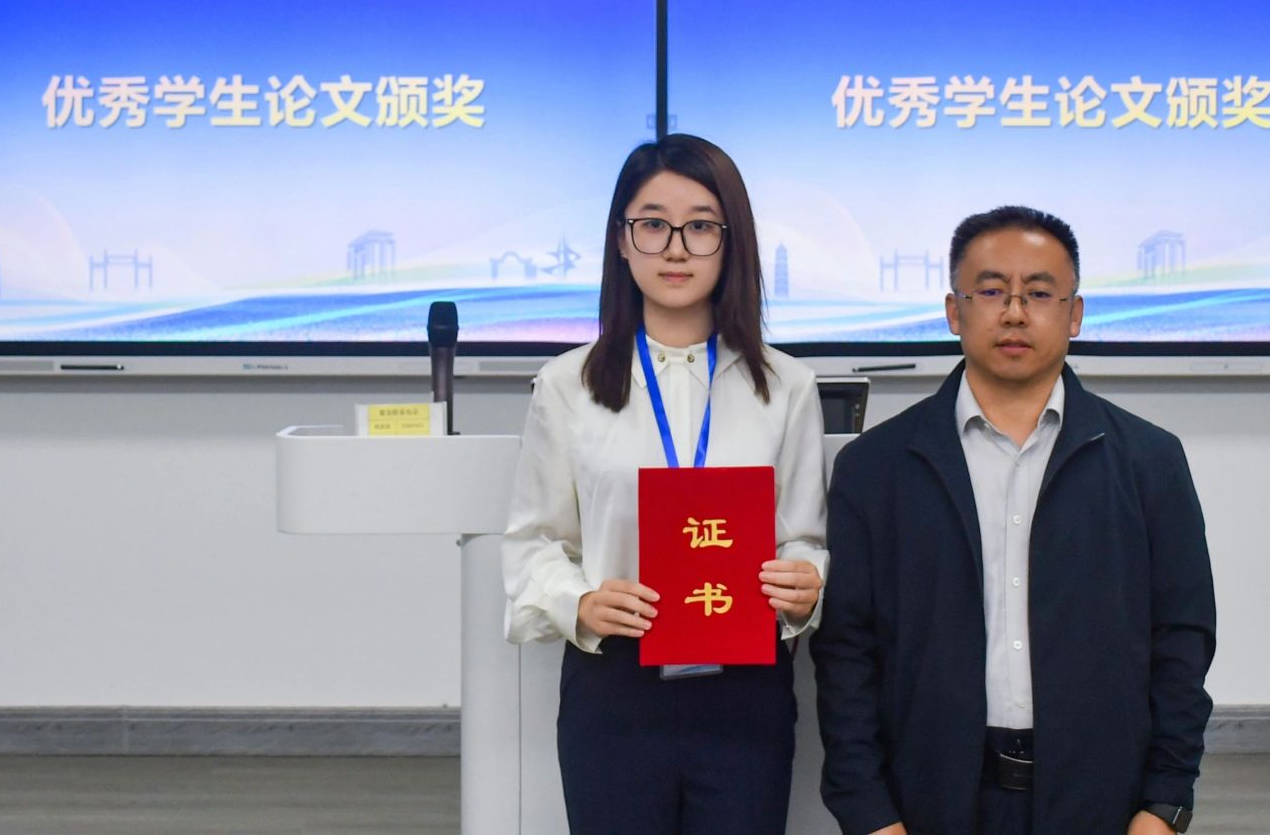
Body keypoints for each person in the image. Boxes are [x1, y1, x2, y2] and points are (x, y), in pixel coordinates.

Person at [813, 206, 1216, 835]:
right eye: (992, 291)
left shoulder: (1148, 461)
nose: (1014, 312)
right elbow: (846, 654)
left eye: (1040, 293)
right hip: (929, 803)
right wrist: (868, 813)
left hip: (1102, 803)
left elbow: (1182, 642)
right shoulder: (876, 467)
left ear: (1075, 314)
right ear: (955, 311)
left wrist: (1164, 804)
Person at [503, 134, 830, 834]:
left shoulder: (788, 386)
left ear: (732, 242)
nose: (676, 248)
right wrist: (580, 601)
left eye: (701, 226)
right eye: (653, 224)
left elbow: (807, 538)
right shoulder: (567, 384)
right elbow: (534, 542)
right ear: (621, 241)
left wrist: (808, 582)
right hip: (616, 685)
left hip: (745, 689)